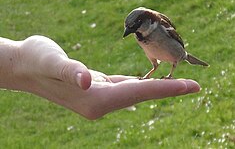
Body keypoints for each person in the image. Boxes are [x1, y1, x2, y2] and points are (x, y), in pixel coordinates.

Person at [0, 35, 200, 120]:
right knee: (154, 65)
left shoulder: (162, 28)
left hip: (176, 56)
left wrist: (21, 59)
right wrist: (22, 61)